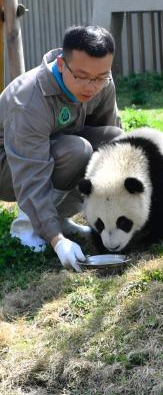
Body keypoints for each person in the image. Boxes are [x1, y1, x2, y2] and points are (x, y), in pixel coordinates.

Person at [0, 25, 123, 271]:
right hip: (9, 168)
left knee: (115, 142)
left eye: (101, 77)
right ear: (60, 64)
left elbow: (109, 138)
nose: (92, 87)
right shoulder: (29, 101)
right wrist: (56, 241)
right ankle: (28, 227)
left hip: (53, 155)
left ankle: (57, 217)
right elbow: (30, 175)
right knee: (76, 150)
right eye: (82, 76)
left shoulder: (101, 83)